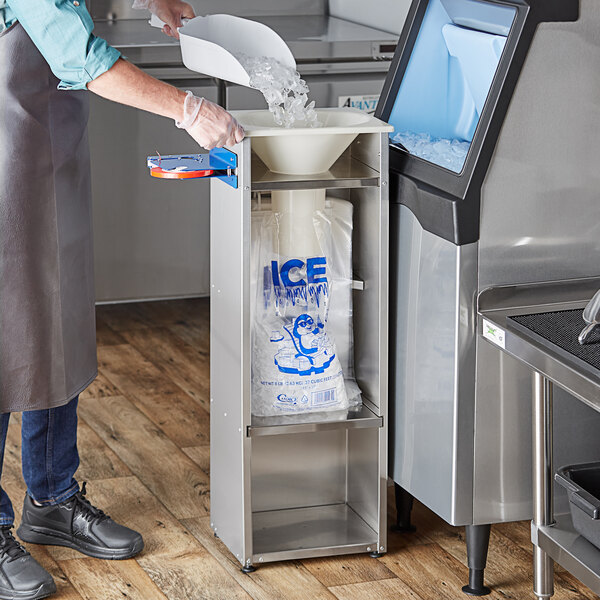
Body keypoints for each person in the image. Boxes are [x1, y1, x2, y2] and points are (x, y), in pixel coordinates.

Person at [0, 1, 243, 598]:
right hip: (3, 149)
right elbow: (81, 55)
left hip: (46, 148)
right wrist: (189, 109)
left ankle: (53, 498)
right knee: (7, 331)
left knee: (56, 315)